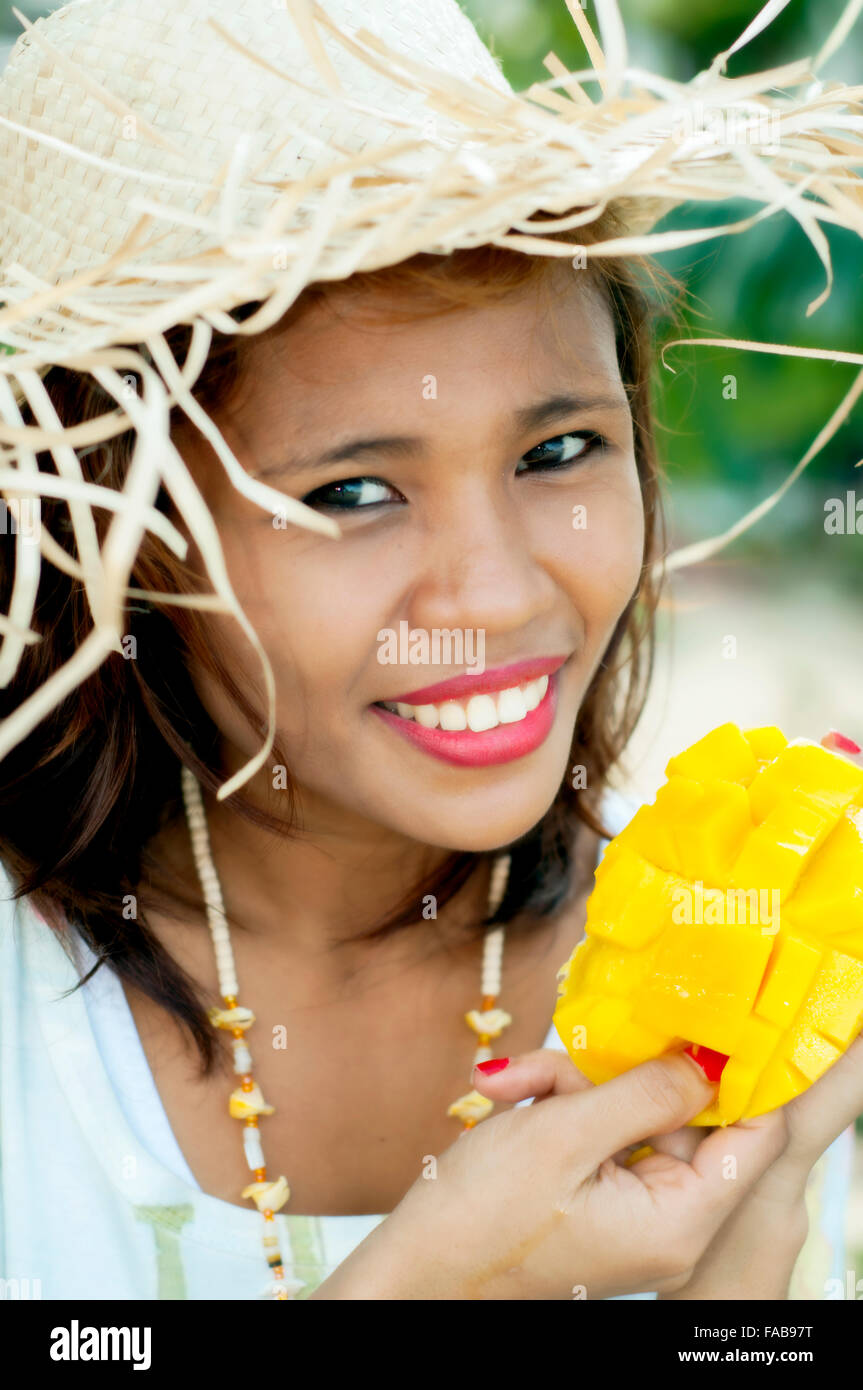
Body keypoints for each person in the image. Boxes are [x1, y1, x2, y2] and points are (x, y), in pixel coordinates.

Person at [0, 0, 861, 1301]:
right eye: (353, 493)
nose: (501, 596)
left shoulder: (771, 959)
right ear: (133, 536)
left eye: (559, 450)